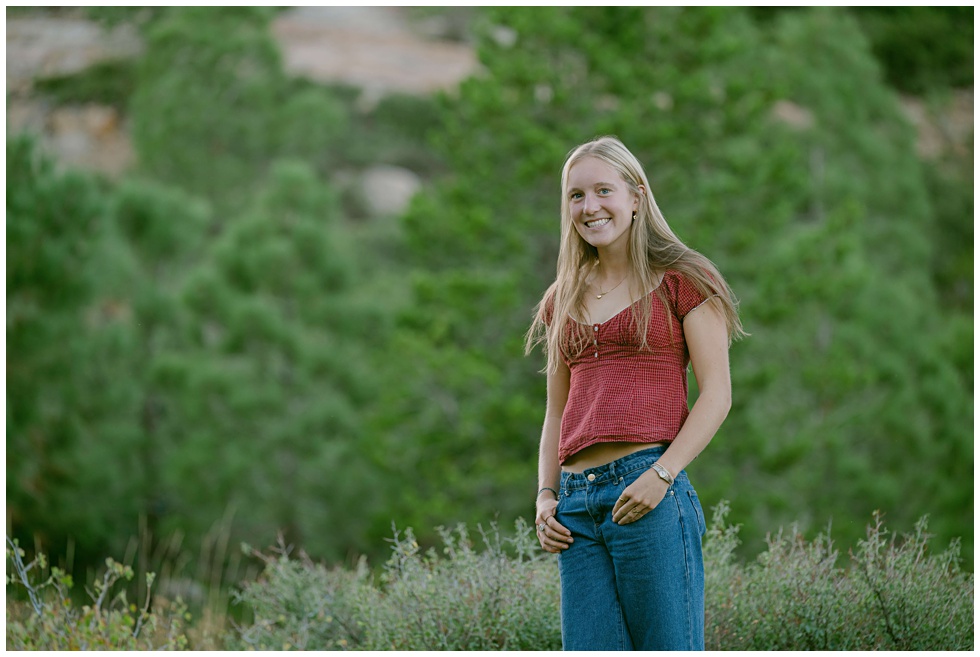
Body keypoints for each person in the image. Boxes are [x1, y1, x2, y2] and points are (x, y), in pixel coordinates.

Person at [524, 136, 745, 651]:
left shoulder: (684, 279)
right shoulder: (562, 297)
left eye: (604, 190)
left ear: (637, 196)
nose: (590, 206)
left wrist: (661, 476)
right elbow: (556, 411)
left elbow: (717, 395)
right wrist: (545, 495)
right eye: (576, 195)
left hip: (647, 493)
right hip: (575, 509)